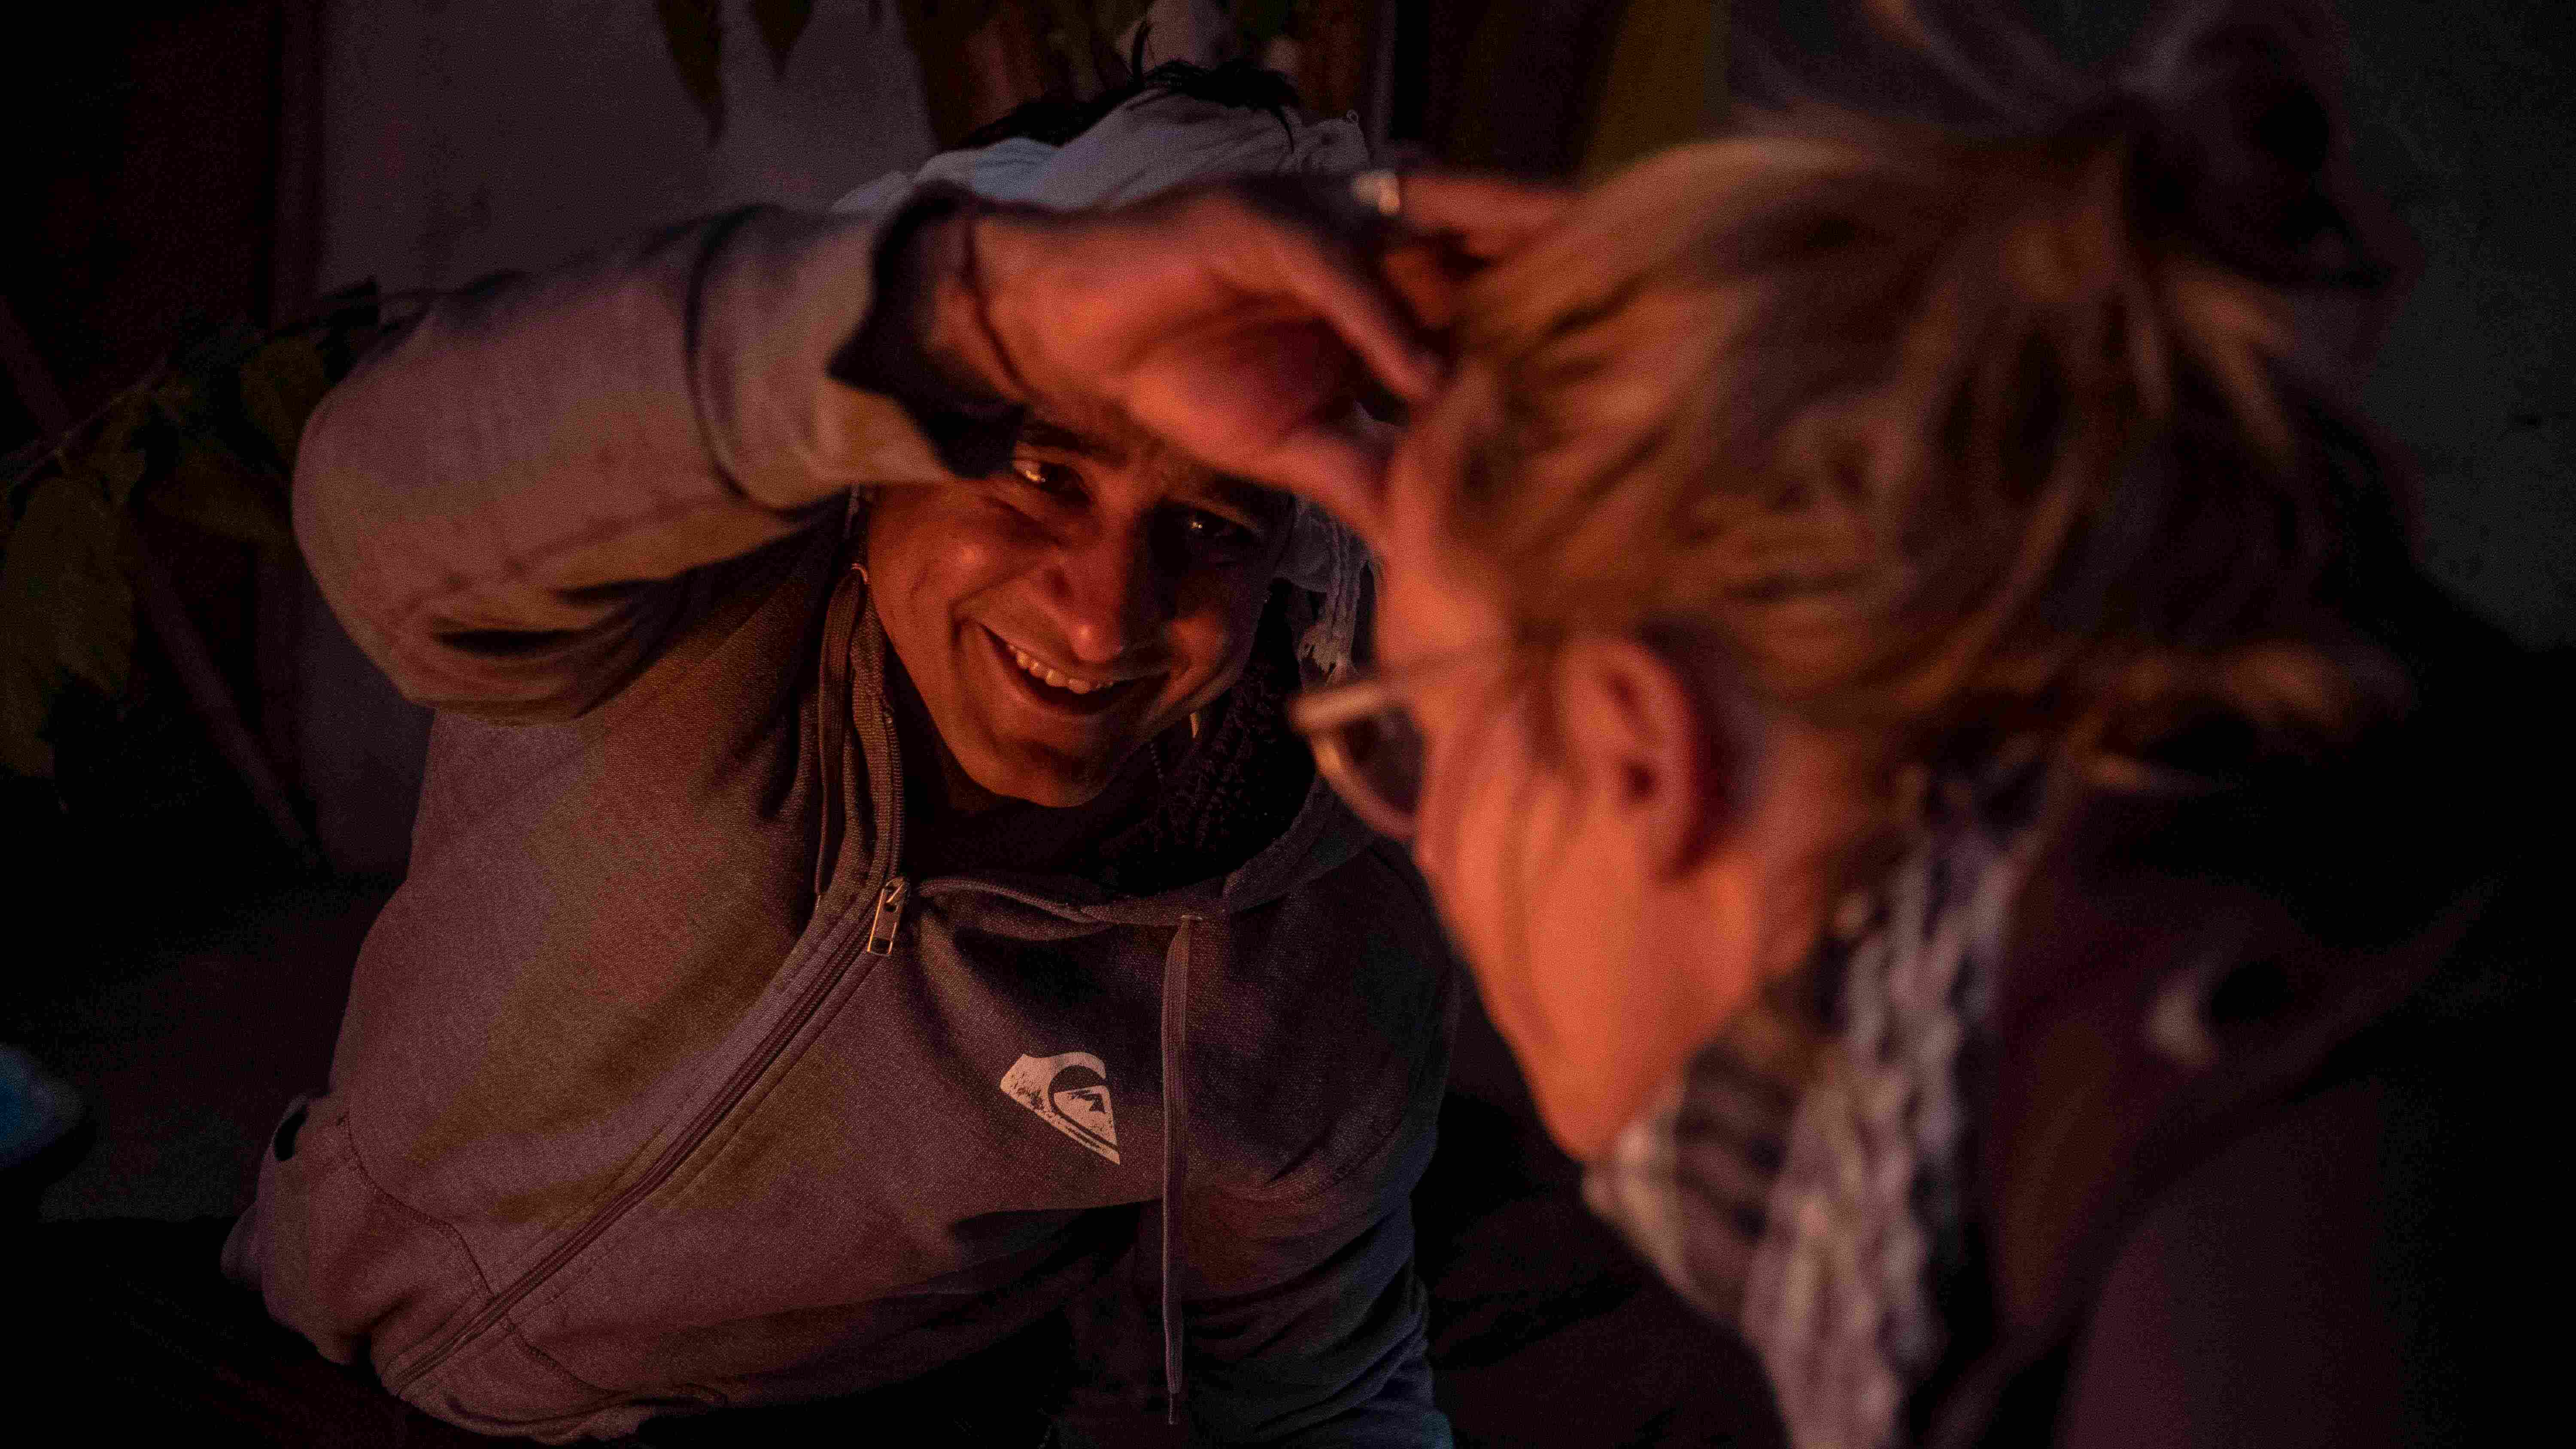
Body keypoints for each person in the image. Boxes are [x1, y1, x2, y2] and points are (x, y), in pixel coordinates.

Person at [1278, 3, 2562, 1445]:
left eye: (1417, 740)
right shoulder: (2250, 1018)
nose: (1427, 852)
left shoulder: (2266, 1300)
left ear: (1635, 743)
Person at [195, 70, 1467, 1444]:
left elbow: (1316, 1389)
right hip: (304, 1349)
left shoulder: (1303, 940)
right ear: (886, 451)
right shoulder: (679, 574)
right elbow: (387, 506)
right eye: (1045, 475)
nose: (1107, 612)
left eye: (1214, 531)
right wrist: (971, 306)